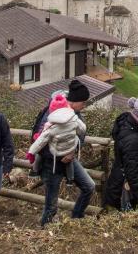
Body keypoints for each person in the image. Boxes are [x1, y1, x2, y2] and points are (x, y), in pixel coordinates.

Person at [28, 80, 94, 226]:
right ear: (74, 101)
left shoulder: (76, 114)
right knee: (51, 206)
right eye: (83, 102)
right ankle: (44, 231)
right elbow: (40, 140)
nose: (84, 106)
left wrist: (72, 151)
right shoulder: (51, 113)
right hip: (50, 164)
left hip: (69, 161)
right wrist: (58, 154)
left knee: (89, 186)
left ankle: (76, 219)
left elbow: (80, 136)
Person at [103, 96, 138, 213]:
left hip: (130, 182)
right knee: (136, 217)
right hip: (125, 188)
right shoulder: (133, 139)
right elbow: (132, 173)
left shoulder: (133, 127)